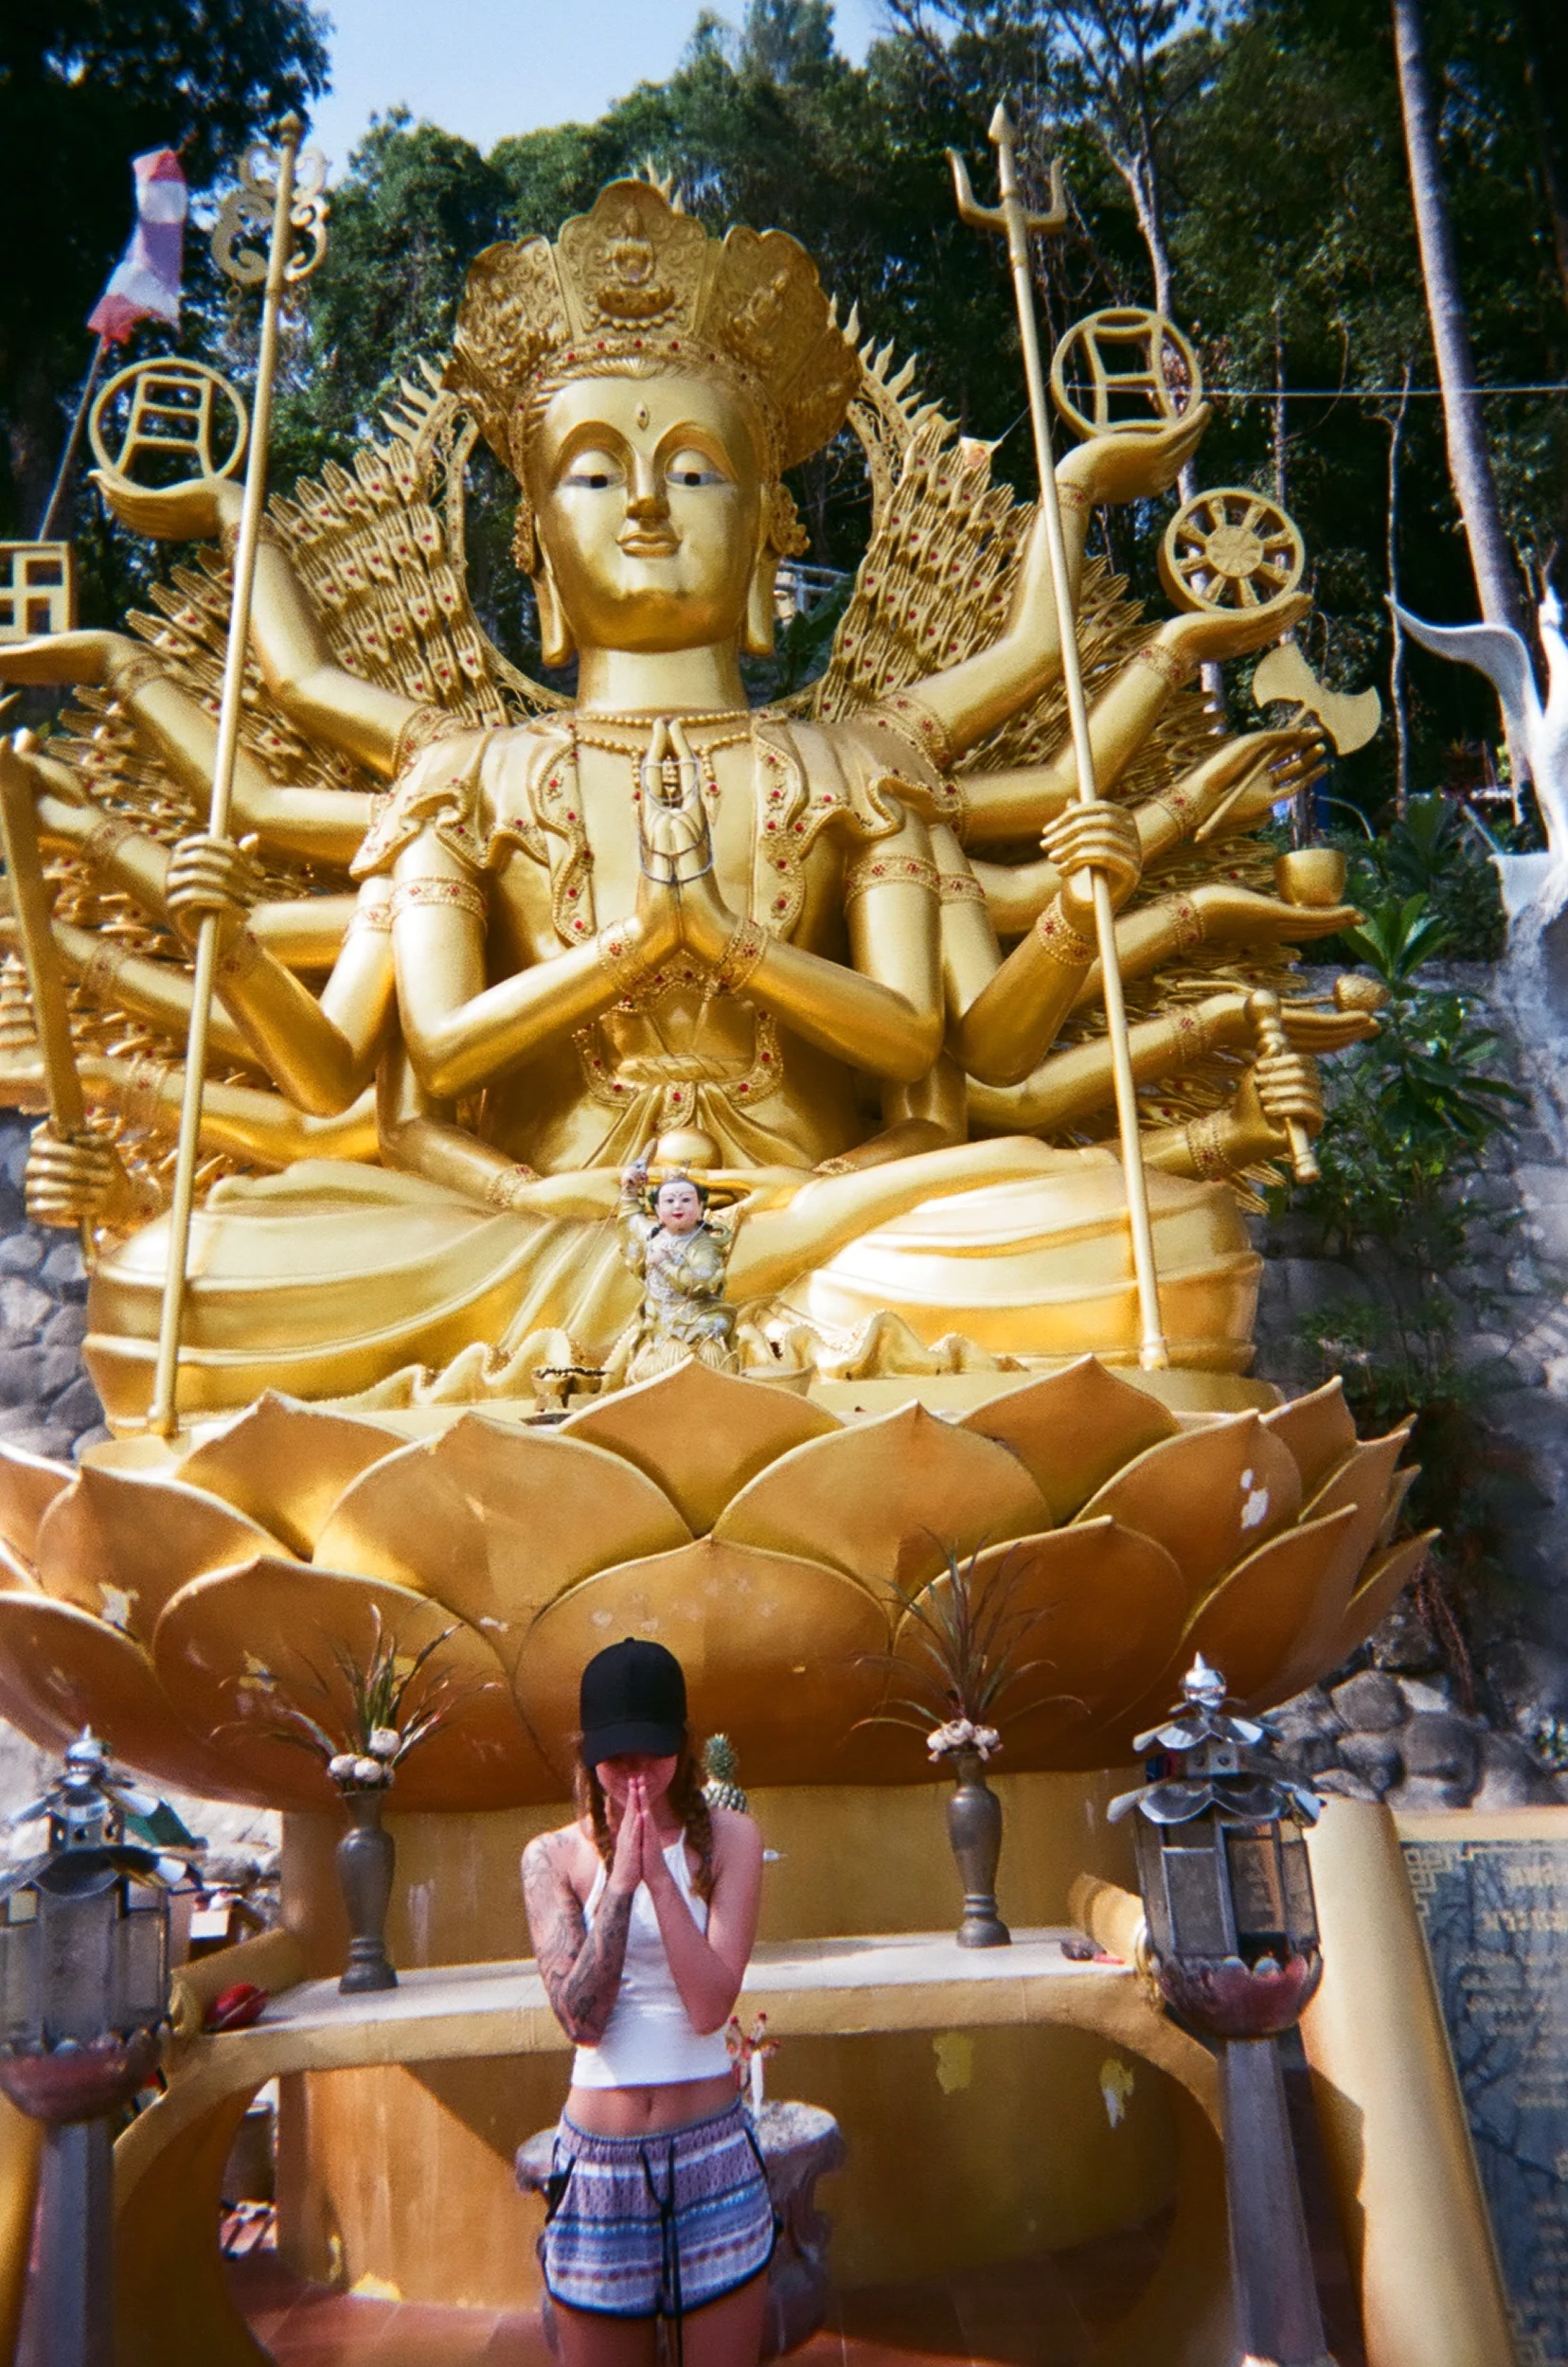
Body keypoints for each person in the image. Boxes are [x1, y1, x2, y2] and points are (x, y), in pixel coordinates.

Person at [522, 1639, 771, 2367]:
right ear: (586, 1754)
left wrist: (662, 1880)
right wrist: (619, 1885)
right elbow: (581, 2021)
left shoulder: (733, 1839)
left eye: (651, 1755)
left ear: (683, 1749)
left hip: (712, 2152)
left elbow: (708, 2009)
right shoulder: (552, 1856)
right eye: (616, 1757)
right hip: (602, 2165)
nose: (635, 1774)